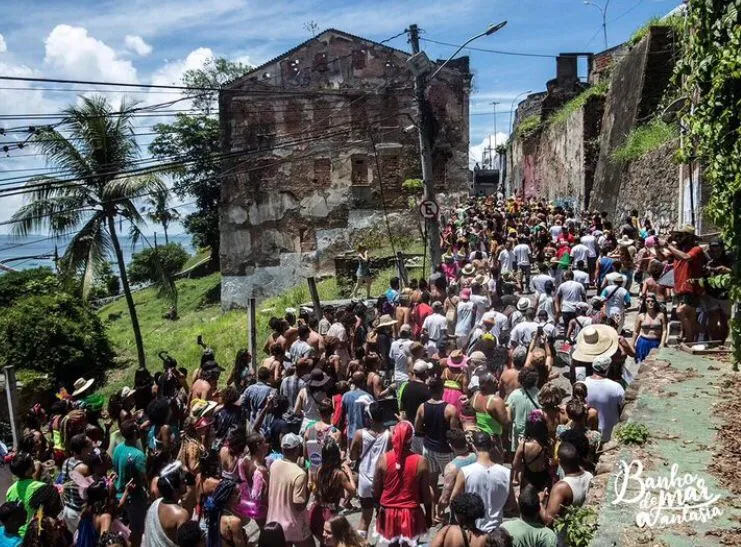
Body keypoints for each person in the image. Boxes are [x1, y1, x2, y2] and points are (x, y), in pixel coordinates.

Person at [373, 421, 432, 546]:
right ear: (411, 439)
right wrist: (428, 515)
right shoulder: (421, 461)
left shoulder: (383, 459)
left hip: (388, 513)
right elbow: (426, 493)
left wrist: (377, 508)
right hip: (411, 513)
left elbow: (376, 488)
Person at [451, 432, 513, 533]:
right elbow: (511, 505)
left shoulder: (465, 472)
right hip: (496, 531)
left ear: (473, 446)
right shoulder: (506, 473)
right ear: (491, 446)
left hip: (473, 531)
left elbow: (453, 500)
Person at [415, 377, 460, 513]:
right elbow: (454, 434)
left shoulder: (422, 407)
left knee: (431, 483)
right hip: (445, 450)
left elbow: (417, 428)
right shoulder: (450, 409)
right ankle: (448, 513)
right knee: (450, 483)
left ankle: (433, 513)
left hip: (428, 448)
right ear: (442, 390)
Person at [349, 402, 391, 537]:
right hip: (383, 481)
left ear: (371, 419)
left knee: (365, 518)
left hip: (365, 481)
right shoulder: (389, 435)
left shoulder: (360, 434)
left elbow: (353, 455)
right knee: (383, 517)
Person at [266, 434, 312, 547]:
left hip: (275, 522)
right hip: (294, 525)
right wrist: (309, 489)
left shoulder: (274, 465)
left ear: (282, 449)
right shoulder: (299, 474)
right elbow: (299, 505)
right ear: (298, 449)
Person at [662, 226, 706, 342]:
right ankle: (691, 339)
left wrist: (668, 245)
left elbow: (686, 257)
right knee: (690, 316)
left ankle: (690, 338)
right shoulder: (679, 250)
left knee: (680, 311)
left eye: (680, 235)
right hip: (680, 287)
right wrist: (658, 246)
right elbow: (663, 257)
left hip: (690, 287)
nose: (678, 238)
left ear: (689, 237)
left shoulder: (696, 249)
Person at [541, 443, 593, 538]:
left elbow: (549, 520)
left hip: (565, 537)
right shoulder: (589, 476)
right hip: (582, 530)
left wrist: (540, 502)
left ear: (560, 462)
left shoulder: (561, 488)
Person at [309, 440, 356, 544]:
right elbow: (353, 491)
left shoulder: (319, 470)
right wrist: (348, 472)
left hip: (317, 511)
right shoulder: (338, 474)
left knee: (324, 542)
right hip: (331, 514)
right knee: (334, 542)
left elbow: (315, 490)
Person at [112, 420, 147, 547]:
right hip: (134, 498)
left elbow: (115, 469)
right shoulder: (138, 456)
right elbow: (143, 479)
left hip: (119, 494)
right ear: (134, 433)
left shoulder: (118, 448)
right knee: (137, 530)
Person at [144, 462, 190, 547]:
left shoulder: (155, 504)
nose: (186, 481)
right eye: (183, 480)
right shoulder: (181, 514)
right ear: (175, 490)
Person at [582, 354, 624, 442]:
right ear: (607, 369)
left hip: (586, 433)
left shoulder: (580, 384)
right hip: (609, 433)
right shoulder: (616, 387)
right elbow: (623, 408)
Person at [4, 452, 45, 538]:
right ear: (28, 471)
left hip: (17, 534)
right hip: (32, 535)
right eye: (31, 462)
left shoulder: (10, 490)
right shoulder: (40, 488)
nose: (34, 463)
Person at [511, 410, 552, 492]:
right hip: (544, 477)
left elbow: (515, 465)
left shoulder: (523, 445)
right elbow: (550, 460)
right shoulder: (548, 443)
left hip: (528, 478)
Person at [506, 368, 541, 453]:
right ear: (535, 381)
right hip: (534, 433)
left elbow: (508, 417)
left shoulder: (514, 395)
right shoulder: (539, 394)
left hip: (518, 433)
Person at [632, 293, 667, 362]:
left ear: (655, 303)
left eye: (652, 301)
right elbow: (636, 331)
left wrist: (662, 343)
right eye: (647, 301)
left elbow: (664, 331)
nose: (650, 303)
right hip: (643, 342)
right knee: (642, 363)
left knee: (656, 363)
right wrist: (632, 344)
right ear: (644, 303)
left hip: (656, 342)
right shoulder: (641, 316)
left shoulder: (660, 315)